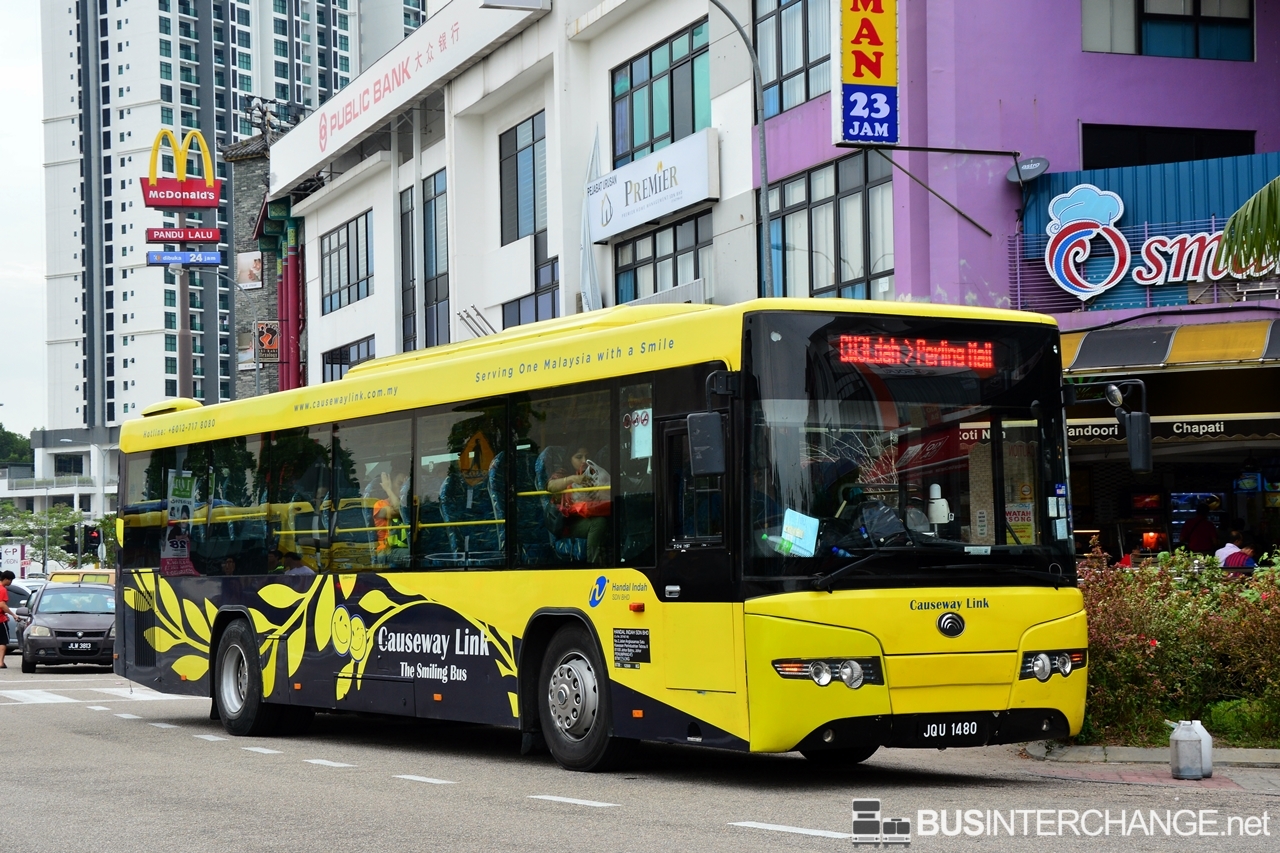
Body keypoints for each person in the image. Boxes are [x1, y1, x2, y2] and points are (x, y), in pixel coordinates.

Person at [547, 445, 610, 565]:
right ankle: (593, 565)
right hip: (569, 522)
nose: (584, 461)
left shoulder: (593, 471)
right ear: (569, 459)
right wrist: (573, 479)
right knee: (598, 523)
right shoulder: (563, 472)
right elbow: (550, 486)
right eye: (579, 457)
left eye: (587, 457)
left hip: (590, 513)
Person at [374, 470, 409, 559]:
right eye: (400, 484)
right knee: (414, 554)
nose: (403, 488)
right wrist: (388, 489)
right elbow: (398, 510)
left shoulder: (409, 505)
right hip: (386, 551)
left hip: (402, 547)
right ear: (391, 484)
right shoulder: (379, 505)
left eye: (405, 485)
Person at [0, 571, 16, 669]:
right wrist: (13, 614)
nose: (11, 582)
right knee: (2, 641)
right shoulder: (2, 590)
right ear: (6, 579)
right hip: (1, 619)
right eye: (10, 580)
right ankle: (1, 662)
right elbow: (2, 604)